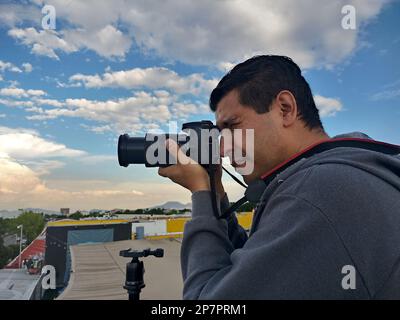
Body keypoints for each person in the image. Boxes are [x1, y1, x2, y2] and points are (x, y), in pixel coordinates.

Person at [158, 55, 400, 299]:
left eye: (232, 126)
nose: (222, 149)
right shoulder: (351, 168)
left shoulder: (317, 192)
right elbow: (251, 268)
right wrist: (216, 193)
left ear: (285, 109)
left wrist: (202, 192)